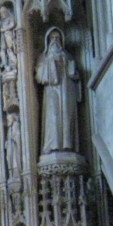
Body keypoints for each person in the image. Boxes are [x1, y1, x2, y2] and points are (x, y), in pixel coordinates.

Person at [35, 28, 80, 156]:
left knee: (67, 116)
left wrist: (74, 75)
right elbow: (39, 77)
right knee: (53, 116)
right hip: (52, 91)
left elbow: (75, 76)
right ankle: (52, 145)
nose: (55, 41)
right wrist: (51, 63)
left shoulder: (68, 56)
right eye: (52, 38)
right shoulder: (43, 58)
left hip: (67, 91)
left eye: (57, 38)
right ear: (48, 41)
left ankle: (67, 145)